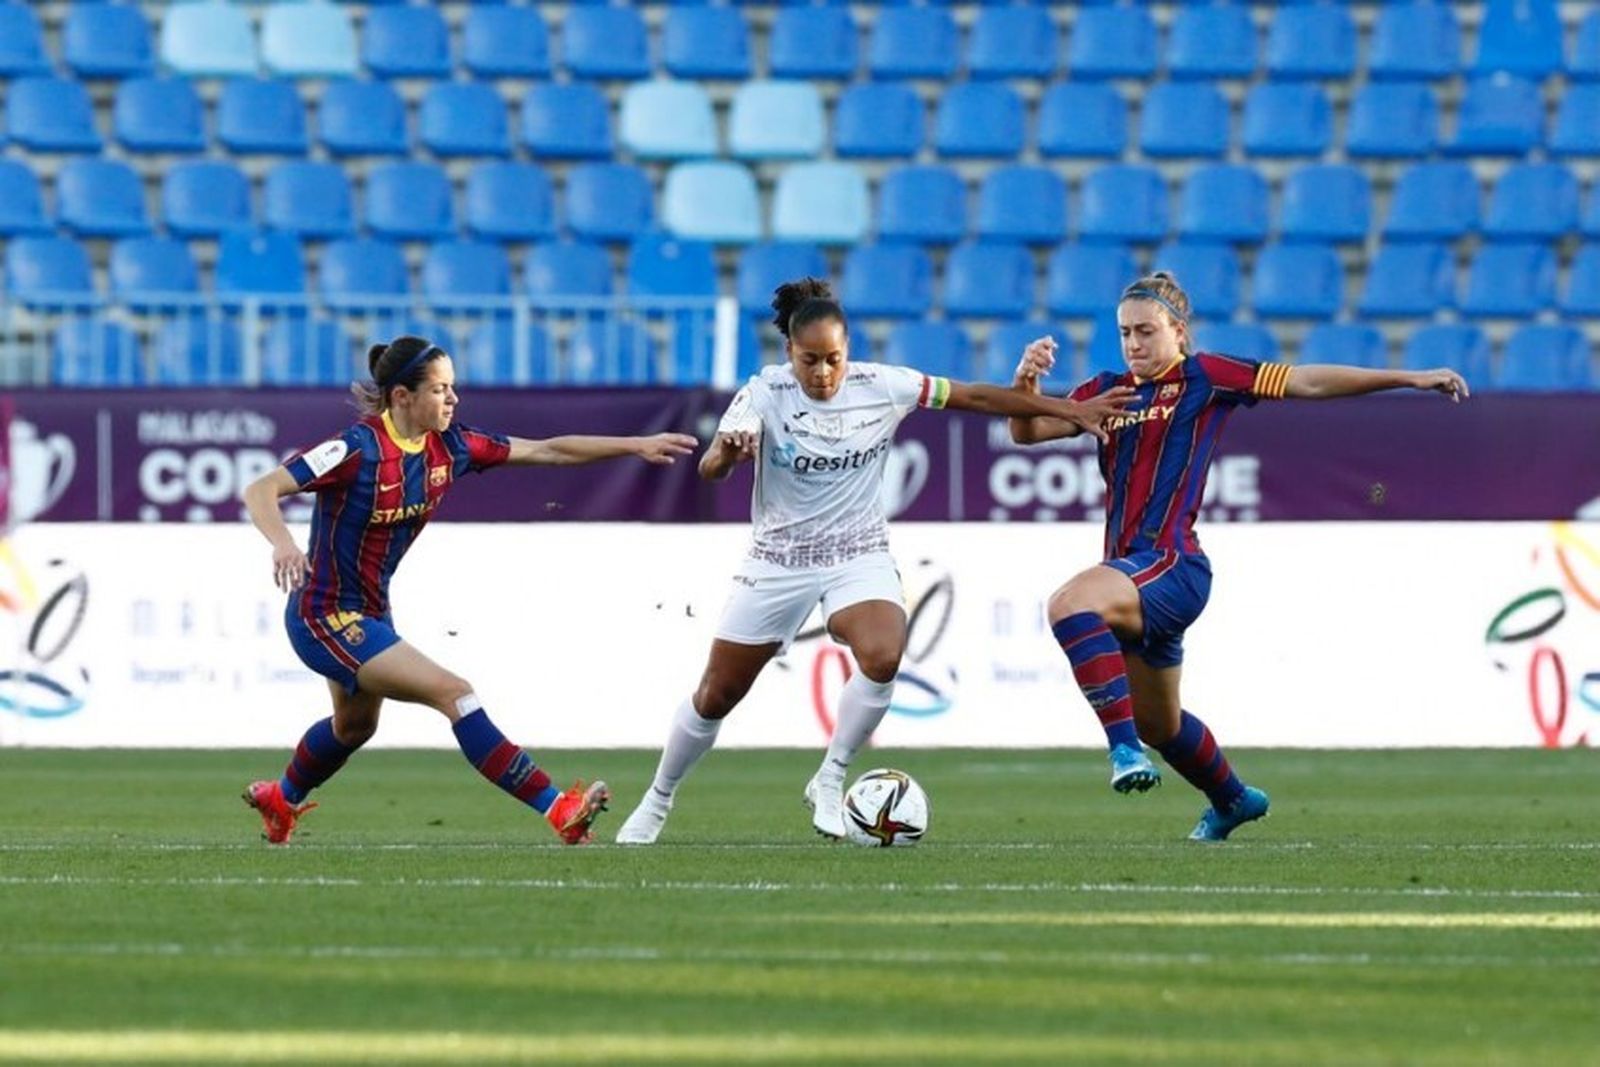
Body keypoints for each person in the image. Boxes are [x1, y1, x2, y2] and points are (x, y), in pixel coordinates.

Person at [614, 278, 1134, 845]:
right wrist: (726, 454)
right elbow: (710, 469)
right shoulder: (763, 395)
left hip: (857, 553)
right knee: (717, 694)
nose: (822, 373)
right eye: (809, 360)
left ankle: (831, 777)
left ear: (848, 350)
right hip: (778, 560)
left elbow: (979, 398)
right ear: (789, 352)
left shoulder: (884, 385)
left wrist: (1066, 408)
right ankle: (658, 798)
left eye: (833, 359)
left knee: (885, 652)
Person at [1008, 271, 1469, 841]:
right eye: (1125, 333)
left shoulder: (1205, 376)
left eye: (1146, 331)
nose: (1134, 344)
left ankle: (1122, 752)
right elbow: (1026, 433)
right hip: (1130, 575)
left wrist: (1408, 377)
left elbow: (1307, 382)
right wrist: (1026, 384)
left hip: (1174, 565)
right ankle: (1232, 799)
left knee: (1070, 604)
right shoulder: (1107, 390)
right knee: (1162, 722)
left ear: (1178, 331)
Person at [239, 335, 696, 845]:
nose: (453, 399)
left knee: (354, 729)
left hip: (371, 613)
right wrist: (282, 543)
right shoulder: (355, 448)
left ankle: (282, 799)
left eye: (453, 387)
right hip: (322, 614)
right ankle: (557, 807)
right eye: (440, 389)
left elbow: (549, 451)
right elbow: (260, 489)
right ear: (402, 397)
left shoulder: (451, 446)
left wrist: (635, 445)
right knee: (455, 694)